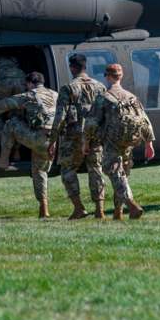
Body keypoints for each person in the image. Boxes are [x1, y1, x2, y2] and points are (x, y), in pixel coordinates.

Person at [84, 64, 155, 220]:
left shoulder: (104, 97)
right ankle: (118, 212)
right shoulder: (131, 97)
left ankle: (131, 205)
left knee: (116, 173)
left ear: (107, 77)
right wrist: (149, 143)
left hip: (112, 141)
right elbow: (144, 120)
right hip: (130, 140)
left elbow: (91, 123)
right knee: (123, 174)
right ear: (121, 76)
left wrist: (86, 143)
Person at [0, 72, 58, 218]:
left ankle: (3, 159)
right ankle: (44, 210)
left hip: (38, 138)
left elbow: (5, 104)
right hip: (53, 140)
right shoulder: (55, 95)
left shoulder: (29, 95)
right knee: (40, 172)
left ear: (30, 84)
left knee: (11, 123)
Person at [48, 53, 107, 219]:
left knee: (67, 170)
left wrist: (53, 141)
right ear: (85, 66)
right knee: (96, 169)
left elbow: (60, 116)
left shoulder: (69, 88)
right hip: (95, 136)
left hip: (74, 137)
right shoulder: (100, 86)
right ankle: (100, 209)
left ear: (72, 67)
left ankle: (79, 208)